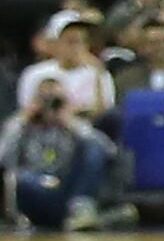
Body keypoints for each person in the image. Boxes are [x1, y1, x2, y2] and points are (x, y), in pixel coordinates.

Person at [4, 60, 119, 229]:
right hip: (37, 187)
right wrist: (23, 118)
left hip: (70, 189)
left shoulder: (75, 127)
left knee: (92, 147)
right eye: (45, 99)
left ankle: (80, 213)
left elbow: (108, 151)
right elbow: (4, 157)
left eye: (56, 100)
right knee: (20, 179)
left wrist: (70, 121)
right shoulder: (23, 126)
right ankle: (94, 218)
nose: (50, 106)